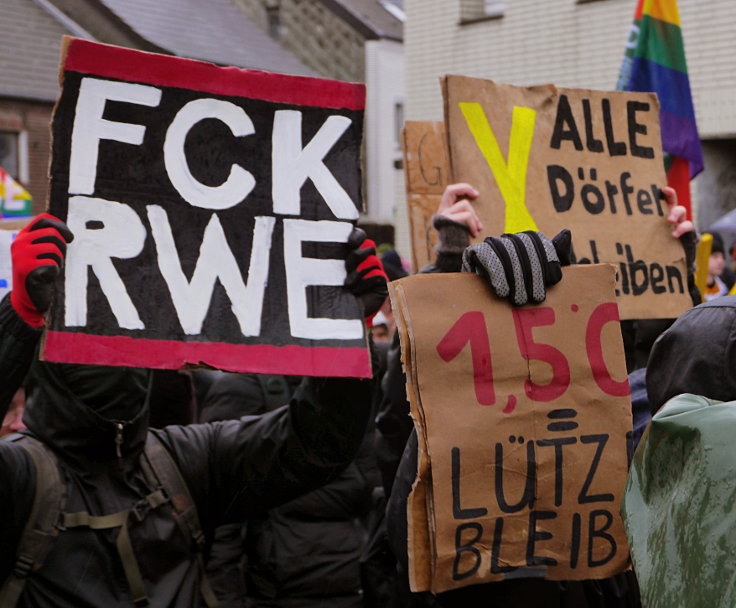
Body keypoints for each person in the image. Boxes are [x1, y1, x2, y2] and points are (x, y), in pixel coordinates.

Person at [0, 215, 386, 607]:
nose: (111, 348)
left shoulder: (182, 462)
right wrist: (16, 316)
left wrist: (344, 334)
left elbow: (315, 444)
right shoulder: (20, 477)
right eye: (91, 331)